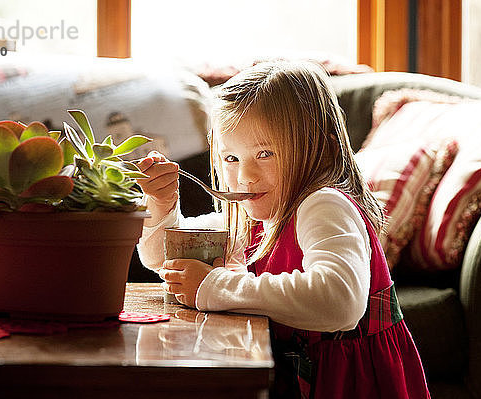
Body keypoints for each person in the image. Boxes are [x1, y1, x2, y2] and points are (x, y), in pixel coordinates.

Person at [135, 60, 430, 399]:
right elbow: (166, 260)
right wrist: (161, 204)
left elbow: (340, 302)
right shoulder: (252, 220)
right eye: (231, 158)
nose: (245, 176)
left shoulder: (323, 205)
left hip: (354, 383)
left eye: (265, 153)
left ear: (322, 148)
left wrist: (214, 286)